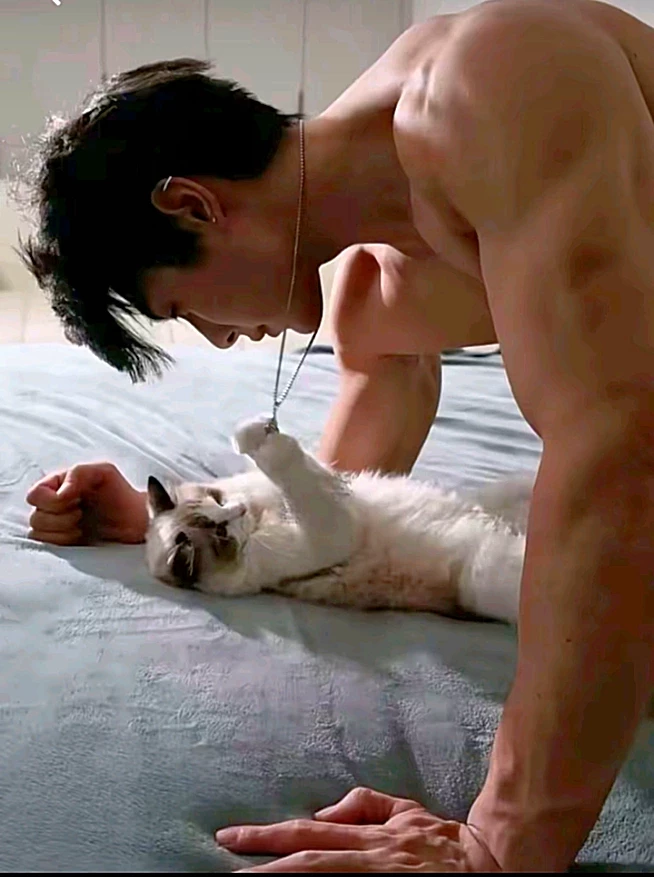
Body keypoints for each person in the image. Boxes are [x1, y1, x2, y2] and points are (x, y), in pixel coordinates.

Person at [21, 0, 654, 870]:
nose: (217, 339)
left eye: (182, 308)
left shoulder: (493, 83)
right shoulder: (374, 286)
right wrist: (168, 520)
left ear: (196, 206)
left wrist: (501, 841)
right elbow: (341, 512)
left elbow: (618, 452)